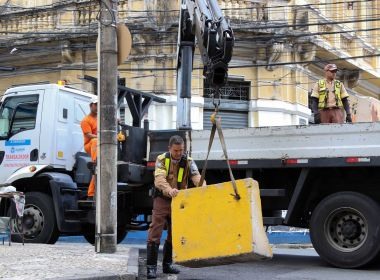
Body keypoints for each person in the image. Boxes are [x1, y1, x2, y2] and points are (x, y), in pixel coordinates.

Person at [146, 135, 205, 279]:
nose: (179, 153)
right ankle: (151, 267)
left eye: (181, 150)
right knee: (155, 231)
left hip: (179, 201)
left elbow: (196, 176)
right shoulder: (162, 159)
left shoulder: (188, 161)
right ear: (170, 148)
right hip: (162, 198)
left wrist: (203, 186)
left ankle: (167, 265)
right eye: (176, 150)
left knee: (174, 233)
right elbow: (159, 179)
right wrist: (169, 190)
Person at [80, 97, 98, 199]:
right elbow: (88, 135)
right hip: (90, 145)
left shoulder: (100, 118)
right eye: (95, 105)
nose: (97, 107)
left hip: (99, 144)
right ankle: (96, 161)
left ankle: (91, 193)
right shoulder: (85, 120)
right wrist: (101, 136)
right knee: (95, 141)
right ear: (91, 105)